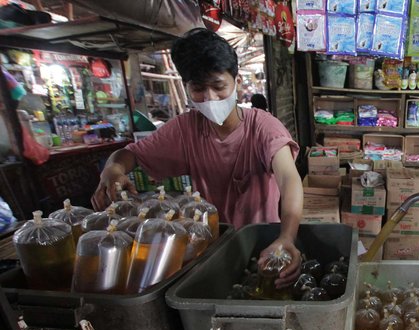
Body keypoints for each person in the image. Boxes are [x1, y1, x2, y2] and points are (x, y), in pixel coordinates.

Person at [92, 28, 303, 287]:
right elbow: (129, 154)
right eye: (198, 89)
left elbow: (289, 177)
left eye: (218, 86)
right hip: (209, 247)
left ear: (236, 81)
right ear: (186, 87)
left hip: (264, 243)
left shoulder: (264, 128)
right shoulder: (185, 129)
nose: (210, 98)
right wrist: (113, 170)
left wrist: (287, 236)